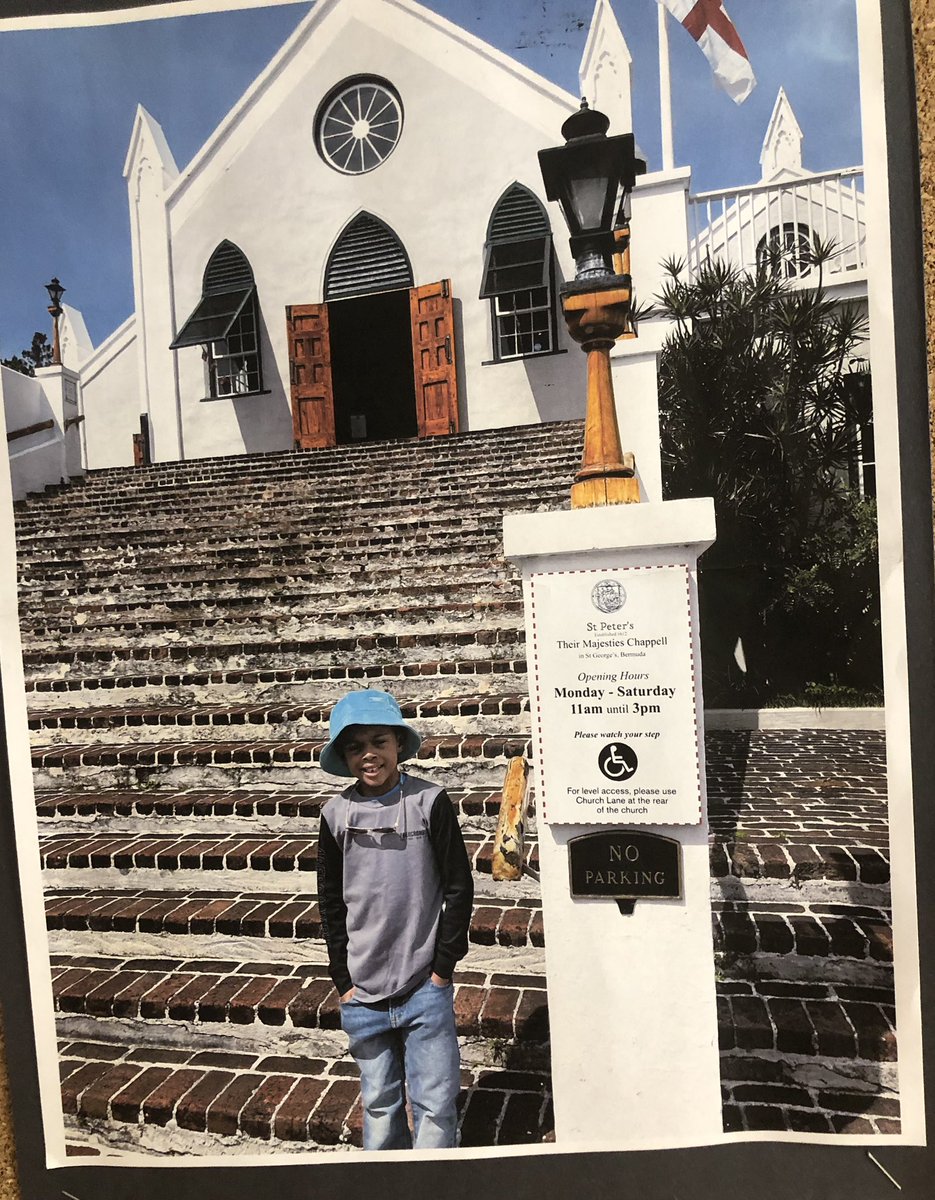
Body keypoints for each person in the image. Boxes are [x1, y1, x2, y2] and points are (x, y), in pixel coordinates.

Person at [316, 688, 474, 1151]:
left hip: (424, 984)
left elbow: (458, 887)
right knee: (380, 1107)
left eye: (379, 742)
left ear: (398, 746)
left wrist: (443, 968)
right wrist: (342, 977)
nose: (369, 755)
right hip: (362, 992)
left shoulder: (430, 802)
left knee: (435, 1106)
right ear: (343, 756)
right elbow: (330, 901)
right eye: (355, 746)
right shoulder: (335, 814)